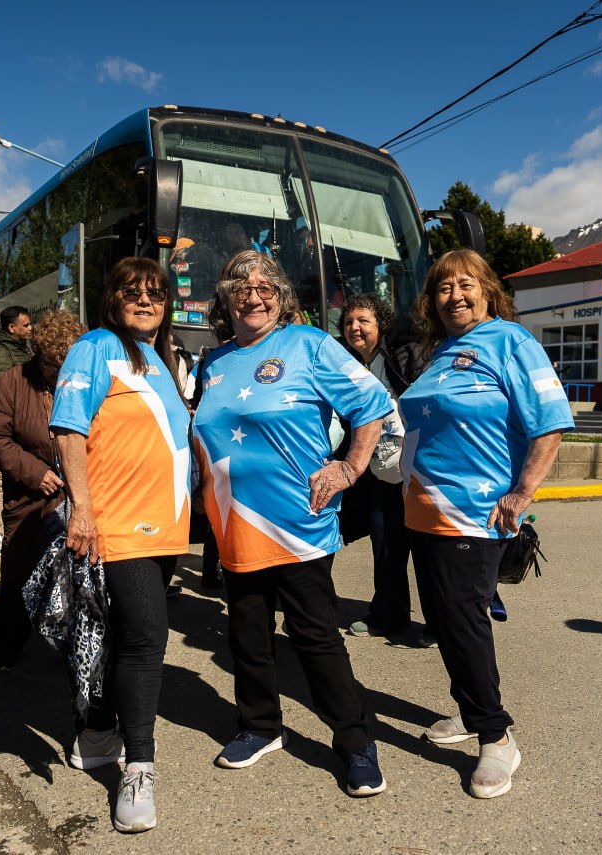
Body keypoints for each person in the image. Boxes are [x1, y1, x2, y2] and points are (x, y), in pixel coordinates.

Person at [191, 250, 392, 797]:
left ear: (281, 298)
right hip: (234, 524)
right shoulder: (211, 363)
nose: (253, 296)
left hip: (297, 523)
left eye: (265, 287)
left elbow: (372, 404)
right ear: (225, 299)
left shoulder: (310, 345)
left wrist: (351, 466)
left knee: (314, 636)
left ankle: (355, 742)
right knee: (247, 633)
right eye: (241, 287)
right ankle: (259, 727)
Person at [397, 249, 573, 800]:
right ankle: (473, 711)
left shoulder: (511, 342)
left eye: (466, 284)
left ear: (488, 290)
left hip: (475, 511)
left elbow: (549, 423)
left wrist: (523, 492)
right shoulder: (444, 352)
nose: (456, 295)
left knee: (463, 617)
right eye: (444, 287)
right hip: (424, 509)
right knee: (443, 618)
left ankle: (497, 738)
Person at [50, 257, 192, 834]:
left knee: (124, 634)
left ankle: (96, 730)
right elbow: (68, 429)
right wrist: (82, 509)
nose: (145, 300)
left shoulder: (158, 359)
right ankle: (138, 768)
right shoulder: (95, 347)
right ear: (112, 299)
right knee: (146, 640)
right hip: (120, 522)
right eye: (132, 291)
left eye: (156, 293)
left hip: (168, 526)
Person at [0, 309, 84, 671]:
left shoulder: (85, 381)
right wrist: (35, 472)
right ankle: (7, 651)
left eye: (67, 365)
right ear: (39, 357)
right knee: (18, 579)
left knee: (78, 579)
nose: (61, 375)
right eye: (54, 367)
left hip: (80, 500)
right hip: (30, 501)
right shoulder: (13, 382)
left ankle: (75, 649)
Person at [335, 293, 432, 644]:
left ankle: (440, 623)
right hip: (381, 473)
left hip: (415, 474)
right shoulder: (353, 365)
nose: (354, 328)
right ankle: (388, 616)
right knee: (386, 547)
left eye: (363, 321)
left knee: (426, 552)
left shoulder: (403, 355)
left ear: (381, 325)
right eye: (348, 322)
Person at [0, 305, 34, 556]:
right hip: (8, 430)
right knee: (0, 480)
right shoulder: (0, 354)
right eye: (26, 325)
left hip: (23, 427)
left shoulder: (23, 350)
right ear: (12, 328)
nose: (30, 328)